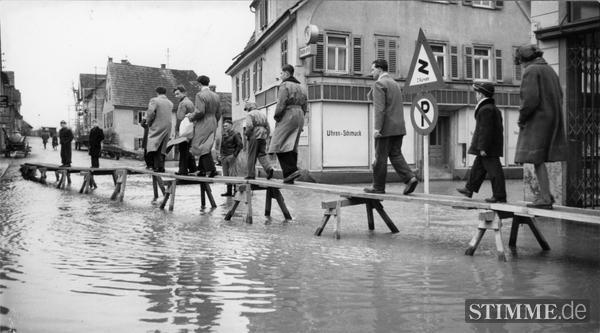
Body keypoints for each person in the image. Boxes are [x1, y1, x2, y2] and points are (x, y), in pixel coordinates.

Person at [514, 44, 567, 209]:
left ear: (524, 60)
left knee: (536, 158)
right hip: (551, 117)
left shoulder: (531, 71)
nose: (521, 65)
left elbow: (529, 100)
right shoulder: (550, 70)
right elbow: (560, 94)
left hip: (538, 120)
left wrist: (522, 118)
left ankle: (545, 197)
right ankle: (546, 194)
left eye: (520, 62)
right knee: (539, 158)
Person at [364, 59, 419, 195]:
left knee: (380, 158)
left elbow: (379, 109)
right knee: (395, 154)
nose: (371, 73)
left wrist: (377, 128)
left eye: (372, 70)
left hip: (385, 128)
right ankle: (410, 178)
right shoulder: (394, 84)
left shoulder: (380, 84)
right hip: (399, 127)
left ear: (380, 69)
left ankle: (378, 187)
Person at [456, 82, 507, 203]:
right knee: (478, 168)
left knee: (494, 171)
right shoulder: (493, 109)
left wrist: (483, 147)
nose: (476, 95)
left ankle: (499, 196)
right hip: (491, 146)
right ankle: (469, 189)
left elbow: (485, 130)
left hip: (488, 148)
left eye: (477, 93)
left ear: (481, 95)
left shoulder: (485, 110)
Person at [267, 64, 307, 184]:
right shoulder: (301, 87)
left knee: (278, 143)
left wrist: (277, 116)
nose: (280, 75)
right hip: (299, 114)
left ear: (287, 74)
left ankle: (290, 171)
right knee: (292, 144)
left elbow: (281, 102)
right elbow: (305, 105)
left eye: (282, 73)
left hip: (289, 113)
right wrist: (301, 116)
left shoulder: (285, 85)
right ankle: (290, 176)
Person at [188, 75, 221, 177]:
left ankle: (211, 169)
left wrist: (191, 116)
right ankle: (202, 169)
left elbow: (200, 111)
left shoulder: (200, 95)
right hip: (213, 121)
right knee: (207, 144)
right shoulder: (216, 96)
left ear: (199, 84)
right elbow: (219, 113)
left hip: (204, 121)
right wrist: (215, 120)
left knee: (200, 144)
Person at [144, 86, 173, 173]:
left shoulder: (154, 100)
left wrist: (148, 122)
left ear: (157, 92)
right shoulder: (170, 103)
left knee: (152, 145)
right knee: (162, 147)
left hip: (157, 126)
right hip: (167, 126)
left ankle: (152, 165)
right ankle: (160, 167)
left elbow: (150, 112)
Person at [244, 102, 274, 181]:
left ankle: (251, 174)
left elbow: (249, 126)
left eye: (247, 109)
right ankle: (269, 168)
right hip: (263, 136)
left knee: (251, 156)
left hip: (254, 136)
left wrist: (247, 134)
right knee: (262, 154)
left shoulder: (250, 114)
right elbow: (268, 127)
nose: (247, 111)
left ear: (249, 108)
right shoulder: (262, 114)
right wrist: (266, 136)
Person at [173, 85, 197, 175]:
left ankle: (182, 170)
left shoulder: (183, 103)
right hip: (190, 128)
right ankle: (193, 168)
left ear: (183, 93)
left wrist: (177, 130)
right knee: (187, 149)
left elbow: (180, 117)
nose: (176, 96)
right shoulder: (190, 102)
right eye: (175, 94)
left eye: (178, 94)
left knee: (183, 150)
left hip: (184, 129)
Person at [219, 120, 243, 196]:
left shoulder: (236, 134)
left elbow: (240, 145)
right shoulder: (224, 134)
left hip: (231, 156)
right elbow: (222, 145)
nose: (224, 127)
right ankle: (228, 191)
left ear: (231, 125)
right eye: (224, 126)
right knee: (226, 174)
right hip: (224, 156)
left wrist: (234, 155)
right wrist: (221, 155)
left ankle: (235, 190)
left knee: (233, 173)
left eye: (226, 125)